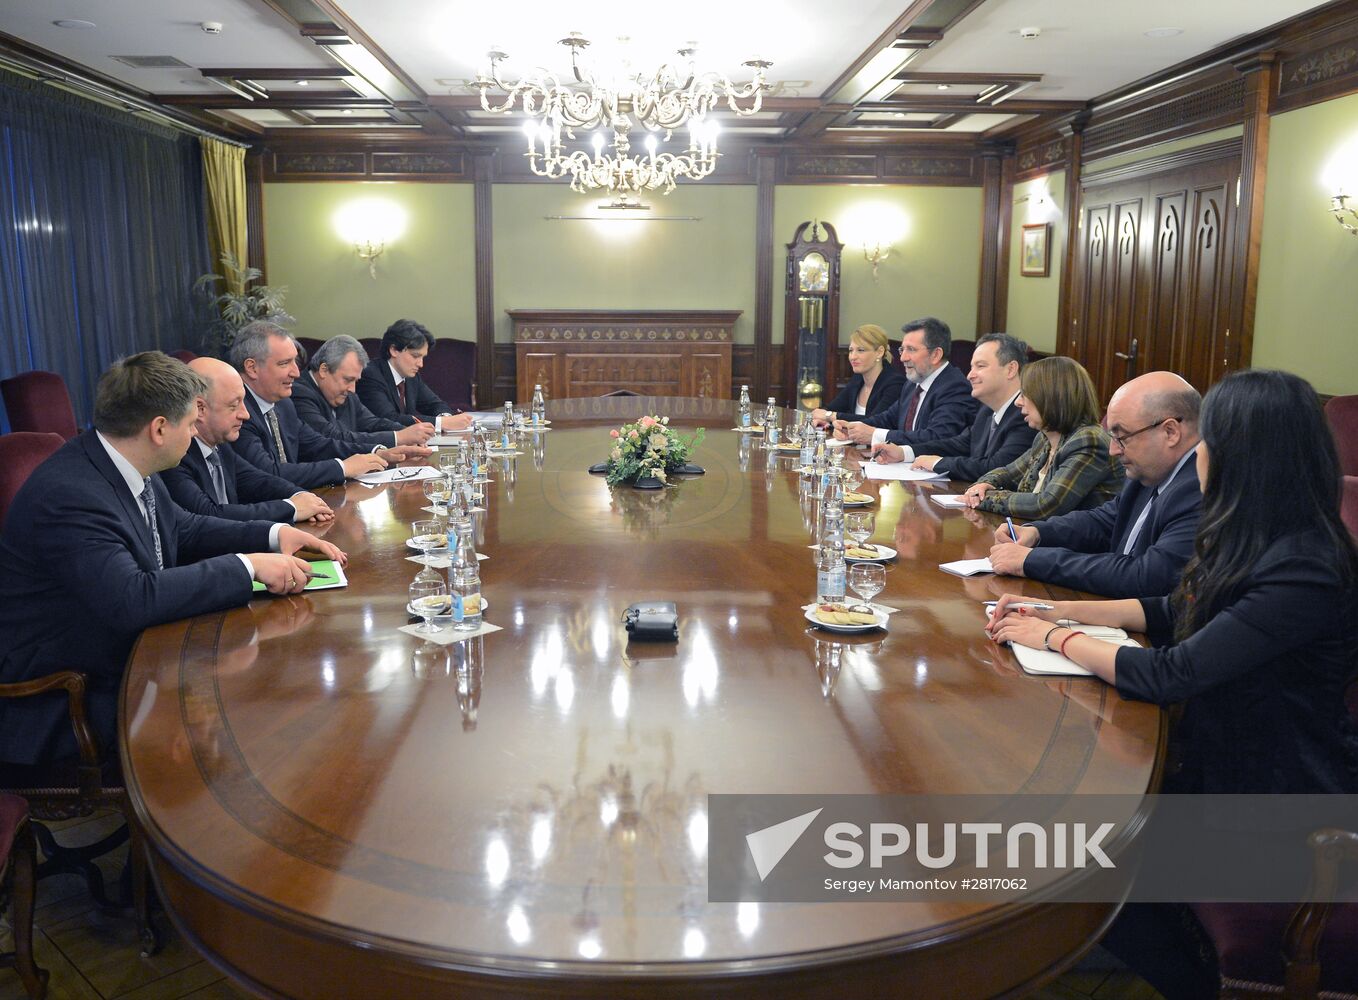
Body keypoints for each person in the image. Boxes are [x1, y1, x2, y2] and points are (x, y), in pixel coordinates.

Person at [987, 369, 1358, 999]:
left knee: (1081, 858)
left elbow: (1173, 672)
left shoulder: (1306, 566)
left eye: (1209, 440)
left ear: (1247, 456)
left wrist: (1054, 641)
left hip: (1275, 795)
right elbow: (1172, 608)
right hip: (1222, 754)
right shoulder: (1253, 534)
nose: (1199, 454)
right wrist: (1060, 612)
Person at [0, 352, 345, 766]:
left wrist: (274, 535)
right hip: (69, 694)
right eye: (189, 424)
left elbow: (183, 527)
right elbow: (132, 598)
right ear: (159, 428)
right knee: (249, 731)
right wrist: (248, 567)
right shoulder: (71, 493)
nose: (194, 433)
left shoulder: (123, 462)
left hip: (129, 654)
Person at [989, 371, 1202, 597]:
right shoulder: (1151, 470)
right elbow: (1104, 522)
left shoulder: (1200, 487)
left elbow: (1146, 577)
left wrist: (1033, 561)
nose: (1113, 449)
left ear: (1170, 432)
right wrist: (1037, 532)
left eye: (1122, 437)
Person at [160, 357, 334, 524]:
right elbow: (208, 513)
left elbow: (257, 480)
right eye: (234, 405)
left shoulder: (220, 445)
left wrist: (301, 497)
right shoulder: (176, 455)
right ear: (200, 408)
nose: (246, 414)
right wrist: (292, 508)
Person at [231, 322, 392, 489]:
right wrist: (342, 468)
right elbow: (267, 473)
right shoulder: (237, 412)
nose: (295, 372)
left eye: (295, 361)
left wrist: (376, 452)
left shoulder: (284, 404)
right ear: (252, 368)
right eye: (284, 363)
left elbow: (317, 444)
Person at [961, 356, 1122, 519]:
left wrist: (984, 497)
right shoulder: (1045, 438)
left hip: (1075, 543)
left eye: (1025, 395)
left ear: (1050, 397)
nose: (1018, 402)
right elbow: (1007, 473)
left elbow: (1046, 505)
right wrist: (983, 485)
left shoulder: (1088, 441)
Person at [871, 332, 1034, 480]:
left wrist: (938, 463)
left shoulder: (1026, 415)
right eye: (972, 367)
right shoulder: (987, 410)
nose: (970, 375)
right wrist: (904, 452)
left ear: (1011, 369)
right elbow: (958, 444)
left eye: (981, 366)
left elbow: (996, 468)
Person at [832, 317, 978, 448]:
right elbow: (887, 419)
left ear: (935, 355)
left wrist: (875, 435)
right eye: (903, 349)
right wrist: (852, 429)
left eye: (911, 350)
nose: (903, 358)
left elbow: (937, 437)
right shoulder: (912, 384)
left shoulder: (955, 387)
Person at [291, 335, 436, 452]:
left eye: (355, 381)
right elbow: (332, 438)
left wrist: (408, 433)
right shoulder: (299, 393)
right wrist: (398, 437)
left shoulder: (346, 394)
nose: (352, 389)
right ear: (323, 370)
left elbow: (373, 423)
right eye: (348, 379)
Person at [356, 319, 473, 430]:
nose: (421, 364)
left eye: (423, 357)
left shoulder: (411, 376)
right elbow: (389, 419)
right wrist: (442, 423)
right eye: (415, 356)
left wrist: (446, 417)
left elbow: (435, 404)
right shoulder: (370, 375)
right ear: (394, 350)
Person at [809, 324, 907, 426]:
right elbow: (832, 408)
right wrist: (823, 420)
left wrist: (830, 416)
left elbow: (875, 421)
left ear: (879, 352)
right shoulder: (858, 378)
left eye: (860, 350)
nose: (853, 357)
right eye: (851, 350)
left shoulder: (895, 383)